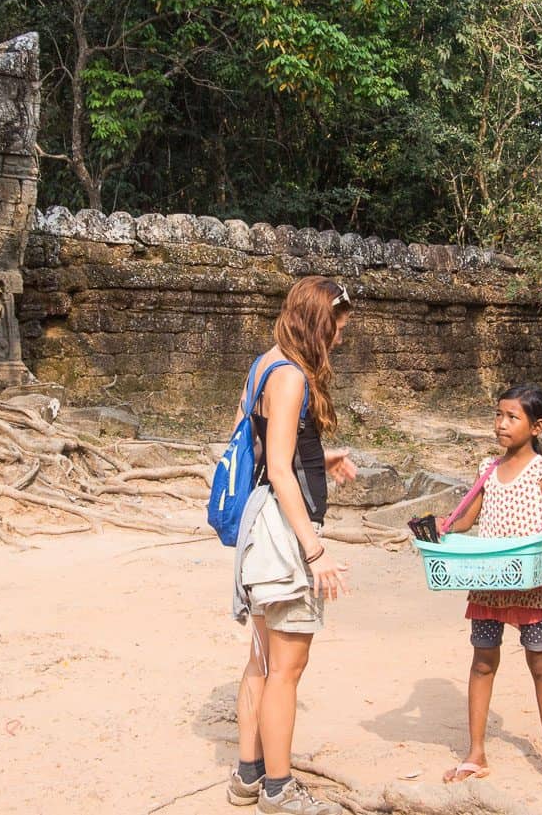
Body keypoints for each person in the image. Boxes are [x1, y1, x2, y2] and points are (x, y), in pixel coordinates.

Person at [228, 276, 356, 815]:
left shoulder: (264, 364)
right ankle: (280, 791)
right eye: (338, 328)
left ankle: (247, 777)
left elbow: (254, 447)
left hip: (259, 531)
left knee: (260, 659)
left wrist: (318, 459)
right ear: (317, 324)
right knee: (285, 669)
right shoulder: (292, 378)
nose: (341, 339)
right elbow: (278, 469)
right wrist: (316, 551)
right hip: (283, 536)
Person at [441, 383, 542, 788]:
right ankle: (475, 753)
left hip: (532, 587)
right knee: (483, 661)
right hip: (488, 585)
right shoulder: (487, 468)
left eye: (512, 417)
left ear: (537, 426)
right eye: (498, 415)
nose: (501, 424)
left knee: (540, 663)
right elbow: (465, 520)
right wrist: (438, 528)